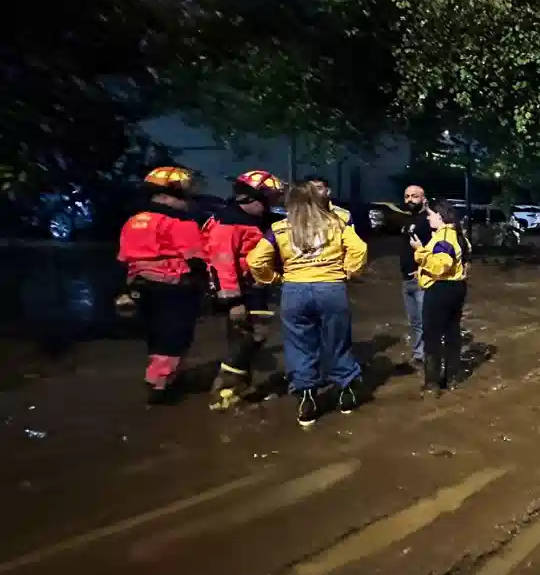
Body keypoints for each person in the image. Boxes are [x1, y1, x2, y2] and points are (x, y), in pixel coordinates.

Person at [247, 184, 368, 427]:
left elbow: (255, 260)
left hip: (294, 290)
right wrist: (350, 272)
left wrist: (273, 279)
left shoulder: (279, 228)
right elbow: (360, 248)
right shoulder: (337, 224)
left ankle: (306, 398)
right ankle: (346, 392)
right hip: (331, 287)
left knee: (299, 343)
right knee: (337, 340)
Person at [117, 166, 209, 404]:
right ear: (169, 195)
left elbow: (123, 259)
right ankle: (161, 385)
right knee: (175, 336)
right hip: (175, 286)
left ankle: (157, 375)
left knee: (156, 334)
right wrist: (207, 286)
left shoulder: (133, 221)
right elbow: (196, 258)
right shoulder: (180, 223)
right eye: (184, 196)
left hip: (140, 284)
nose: (188, 202)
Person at [204, 170, 285, 410]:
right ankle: (224, 387)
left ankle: (236, 390)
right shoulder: (228, 223)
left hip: (254, 287)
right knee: (254, 335)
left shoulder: (255, 220)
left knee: (244, 338)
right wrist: (233, 301)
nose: (273, 205)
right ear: (250, 199)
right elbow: (222, 263)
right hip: (238, 292)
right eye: (269, 200)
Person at [411, 199, 470, 395]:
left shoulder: (444, 237)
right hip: (457, 287)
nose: (428, 218)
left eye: (430, 215)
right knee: (452, 333)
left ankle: (432, 384)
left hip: (441, 289)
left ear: (441, 216)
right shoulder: (459, 235)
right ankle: (452, 378)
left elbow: (440, 265)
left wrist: (419, 251)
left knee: (432, 336)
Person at [398, 185, 431, 367]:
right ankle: (419, 355)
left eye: (414, 196)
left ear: (423, 198)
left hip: (422, 278)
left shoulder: (429, 220)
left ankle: (430, 357)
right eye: (407, 196)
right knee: (414, 321)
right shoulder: (406, 219)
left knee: (425, 320)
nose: (410, 199)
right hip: (406, 279)